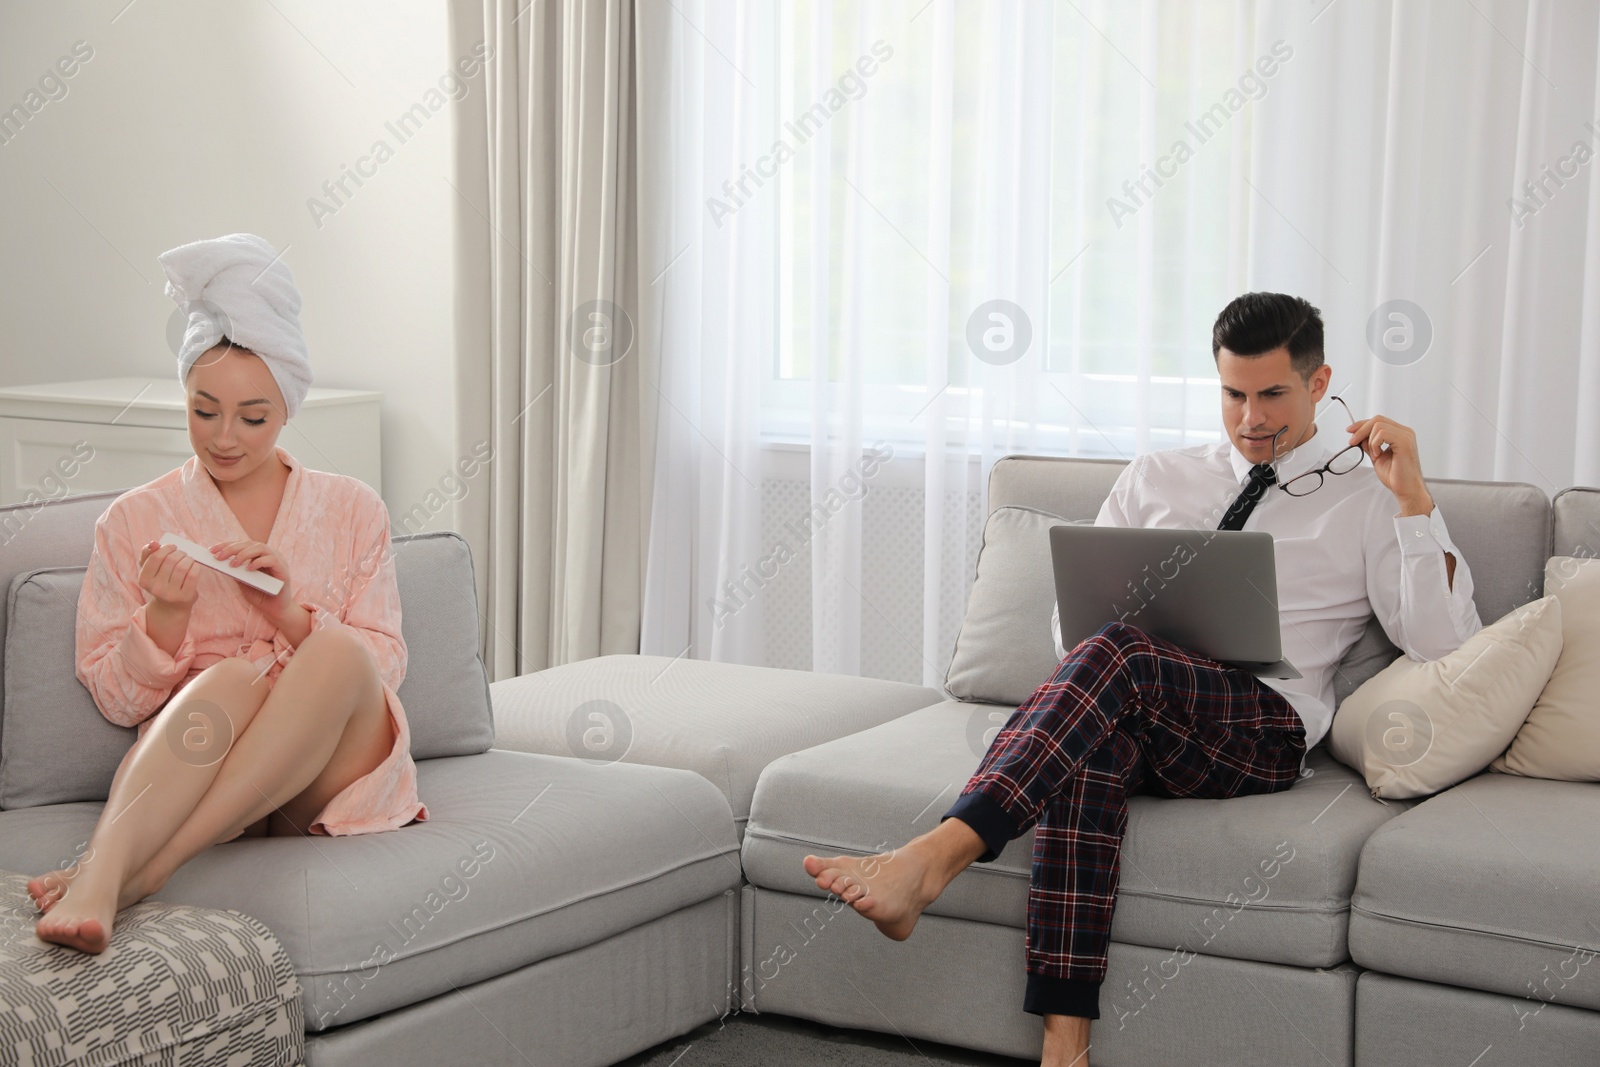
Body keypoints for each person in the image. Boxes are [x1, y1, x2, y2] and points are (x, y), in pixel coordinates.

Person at [803, 292, 1483, 1067]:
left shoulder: (1368, 494)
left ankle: (933, 858)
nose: (1251, 418)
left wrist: (1415, 499)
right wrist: (1127, 634)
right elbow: (1074, 631)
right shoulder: (1159, 474)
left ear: (1320, 382)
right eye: (1233, 394)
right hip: (1136, 699)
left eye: (1272, 395)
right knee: (1090, 746)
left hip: (1260, 728)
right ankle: (1066, 1050)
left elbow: (1443, 640)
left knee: (1120, 655)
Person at [30, 233, 424, 955]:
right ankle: (108, 870)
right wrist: (163, 622)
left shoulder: (353, 508)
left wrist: (290, 615)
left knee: (336, 651)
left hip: (332, 774)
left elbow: (385, 666)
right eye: (204, 410)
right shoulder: (132, 521)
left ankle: (139, 870)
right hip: (208, 762)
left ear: (288, 407)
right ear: (183, 394)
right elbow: (119, 701)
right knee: (234, 676)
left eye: (253, 417)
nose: (225, 438)